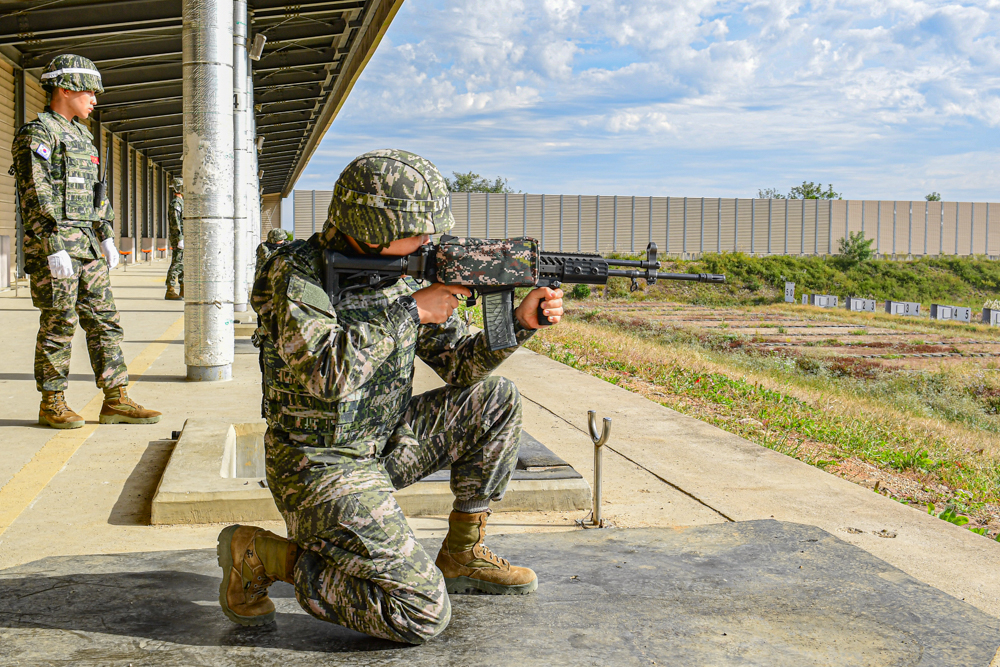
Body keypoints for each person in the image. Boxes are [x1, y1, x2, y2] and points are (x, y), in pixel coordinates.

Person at [218, 149, 564, 644]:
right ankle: (265, 555)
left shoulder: (396, 272)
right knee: (419, 613)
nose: (429, 240)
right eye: (418, 229)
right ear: (371, 225)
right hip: (317, 465)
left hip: (382, 444)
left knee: (494, 398)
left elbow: (460, 366)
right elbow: (325, 373)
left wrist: (517, 324)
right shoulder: (294, 275)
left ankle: (462, 553)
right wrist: (411, 312)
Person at [10, 54, 161, 429]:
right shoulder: (39, 132)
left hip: (89, 245)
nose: (94, 99)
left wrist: (107, 234)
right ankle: (53, 403)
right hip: (57, 245)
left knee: (105, 321)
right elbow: (34, 191)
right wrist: (50, 241)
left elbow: (98, 194)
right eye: (90, 91)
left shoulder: (83, 135)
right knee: (59, 322)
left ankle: (116, 399)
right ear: (66, 89)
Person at [164, 179, 183, 300]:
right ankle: (170, 289)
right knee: (177, 262)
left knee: (183, 263)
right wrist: (180, 237)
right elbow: (175, 222)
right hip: (178, 238)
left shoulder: (181, 202)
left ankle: (183, 287)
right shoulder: (176, 203)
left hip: (182, 236)